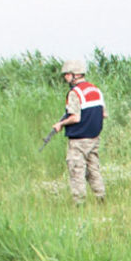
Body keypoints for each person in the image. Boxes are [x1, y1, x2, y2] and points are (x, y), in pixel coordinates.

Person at [52, 60, 107, 205]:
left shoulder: (74, 93)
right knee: (94, 169)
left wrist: (60, 124)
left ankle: (79, 204)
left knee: (76, 171)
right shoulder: (96, 90)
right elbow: (103, 114)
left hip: (78, 140)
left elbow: (75, 117)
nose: (65, 78)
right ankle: (101, 198)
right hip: (94, 138)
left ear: (73, 75)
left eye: (66, 75)